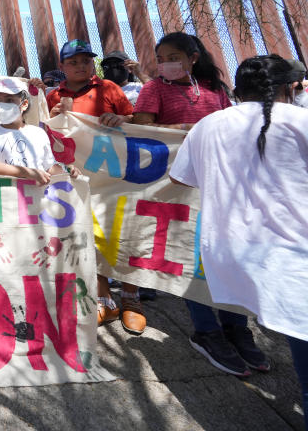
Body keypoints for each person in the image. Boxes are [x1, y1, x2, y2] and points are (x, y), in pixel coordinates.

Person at [170, 55, 305, 397]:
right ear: (290, 88)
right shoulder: (300, 120)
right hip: (293, 255)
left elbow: (181, 178)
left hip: (230, 252)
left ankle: (230, 336)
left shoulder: (208, 125)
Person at [45, 39, 142, 332]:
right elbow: (46, 132)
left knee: (123, 233)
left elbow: (136, 120)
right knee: (90, 233)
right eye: (73, 62)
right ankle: (104, 299)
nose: (80, 66)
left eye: (85, 61)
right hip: (79, 178)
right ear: (62, 67)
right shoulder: (53, 96)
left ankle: (131, 298)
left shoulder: (110, 89)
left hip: (115, 177)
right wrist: (52, 117)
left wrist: (121, 117)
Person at [0, 78, 66, 182]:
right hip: (6, 195)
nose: (2, 105)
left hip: (36, 194)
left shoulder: (38, 133)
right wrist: (26, 172)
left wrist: (67, 171)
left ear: (24, 104)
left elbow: (49, 167)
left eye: (9, 100)